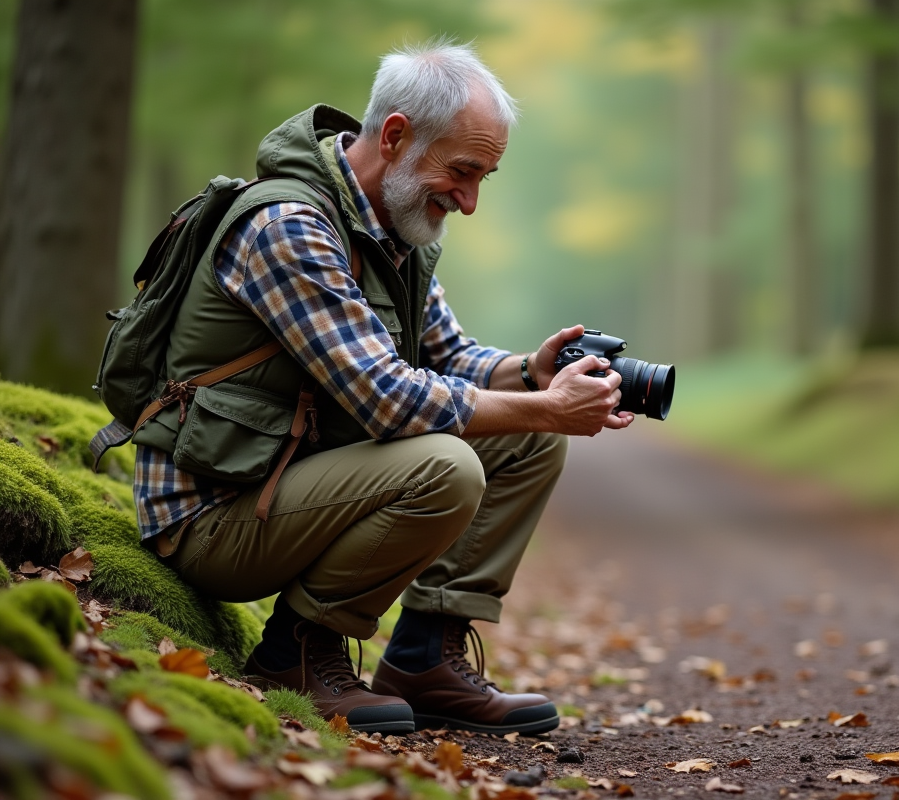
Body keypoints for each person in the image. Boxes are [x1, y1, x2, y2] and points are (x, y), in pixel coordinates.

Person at [136, 39, 634, 736]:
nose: (469, 201)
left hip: (286, 484)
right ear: (396, 136)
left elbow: (449, 356)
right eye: (463, 172)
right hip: (212, 516)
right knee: (448, 465)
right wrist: (549, 408)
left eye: (484, 178)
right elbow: (388, 399)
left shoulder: (397, 230)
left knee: (524, 437)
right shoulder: (289, 226)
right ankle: (295, 655)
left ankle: (424, 659)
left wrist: (533, 375)